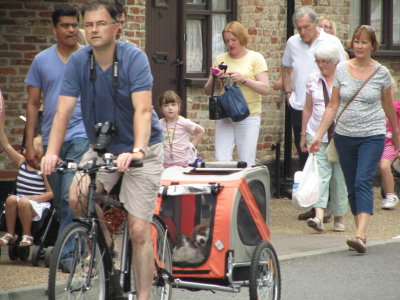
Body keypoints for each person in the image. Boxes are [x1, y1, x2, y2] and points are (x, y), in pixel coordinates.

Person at [41, 1, 163, 299]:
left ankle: (144, 296)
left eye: (101, 23)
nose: (94, 29)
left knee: (137, 230)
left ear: (116, 26)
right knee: (75, 196)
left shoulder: (134, 58)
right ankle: (105, 243)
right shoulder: (79, 62)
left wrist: (137, 149)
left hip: (142, 148)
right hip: (103, 146)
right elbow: (63, 112)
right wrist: (51, 153)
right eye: (89, 24)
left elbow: (143, 110)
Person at [309, 25, 399, 253]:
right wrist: (318, 135)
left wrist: (396, 134)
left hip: (372, 135)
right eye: (356, 42)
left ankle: (360, 234)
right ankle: (360, 232)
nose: (359, 46)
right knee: (351, 186)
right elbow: (333, 105)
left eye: (364, 42)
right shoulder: (341, 69)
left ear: (372, 46)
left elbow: (388, 106)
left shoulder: (382, 73)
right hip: (344, 136)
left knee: (362, 181)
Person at [24, 4, 89, 258]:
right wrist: (30, 143)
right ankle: (79, 245)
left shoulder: (88, 57)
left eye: (75, 25)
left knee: (70, 194)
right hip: (52, 139)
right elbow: (31, 104)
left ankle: (69, 256)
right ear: (55, 29)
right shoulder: (41, 60)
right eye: (65, 25)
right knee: (62, 203)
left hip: (81, 135)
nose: (71, 30)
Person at [282, 7, 347, 170]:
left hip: (328, 105)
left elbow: (344, 68)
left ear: (316, 24)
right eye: (299, 28)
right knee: (305, 153)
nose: (303, 32)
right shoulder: (292, 43)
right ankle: (310, 192)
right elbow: (286, 68)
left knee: (332, 153)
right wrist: (288, 93)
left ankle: (331, 193)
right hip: (300, 107)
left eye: (306, 27)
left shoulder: (331, 41)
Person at [204, 21, 269, 167]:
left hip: (248, 114)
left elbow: (265, 88)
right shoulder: (220, 58)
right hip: (225, 114)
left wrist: (243, 79)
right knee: (221, 159)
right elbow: (208, 90)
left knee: (246, 160)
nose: (230, 44)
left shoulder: (255, 58)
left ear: (242, 38)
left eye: (234, 40)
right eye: (227, 41)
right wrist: (215, 78)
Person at [300, 43, 348, 232]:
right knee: (320, 175)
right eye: (318, 61)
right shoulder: (312, 79)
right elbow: (307, 108)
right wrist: (304, 134)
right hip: (316, 133)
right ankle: (319, 216)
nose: (321, 65)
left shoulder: (345, 79)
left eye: (325, 61)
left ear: (335, 62)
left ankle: (339, 217)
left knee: (339, 178)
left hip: (341, 135)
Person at [0, 95, 53, 246]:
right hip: (21, 199)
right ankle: (9, 233)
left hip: (36, 204)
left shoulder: (43, 169)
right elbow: (7, 146)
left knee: (23, 202)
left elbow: (50, 193)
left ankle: (27, 235)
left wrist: (32, 199)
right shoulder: (22, 162)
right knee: (11, 198)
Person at [158, 90, 205, 168]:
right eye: (166, 105)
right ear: (161, 108)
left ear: (178, 106)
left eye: (173, 105)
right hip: (164, 164)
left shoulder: (184, 122)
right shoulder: (159, 124)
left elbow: (201, 131)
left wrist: (191, 146)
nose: (170, 108)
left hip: (182, 163)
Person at [380, 77, 400, 209]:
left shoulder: (397, 105)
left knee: (383, 166)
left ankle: (391, 195)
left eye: (389, 88)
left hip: (391, 143)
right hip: (376, 142)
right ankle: (388, 192)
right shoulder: (375, 107)